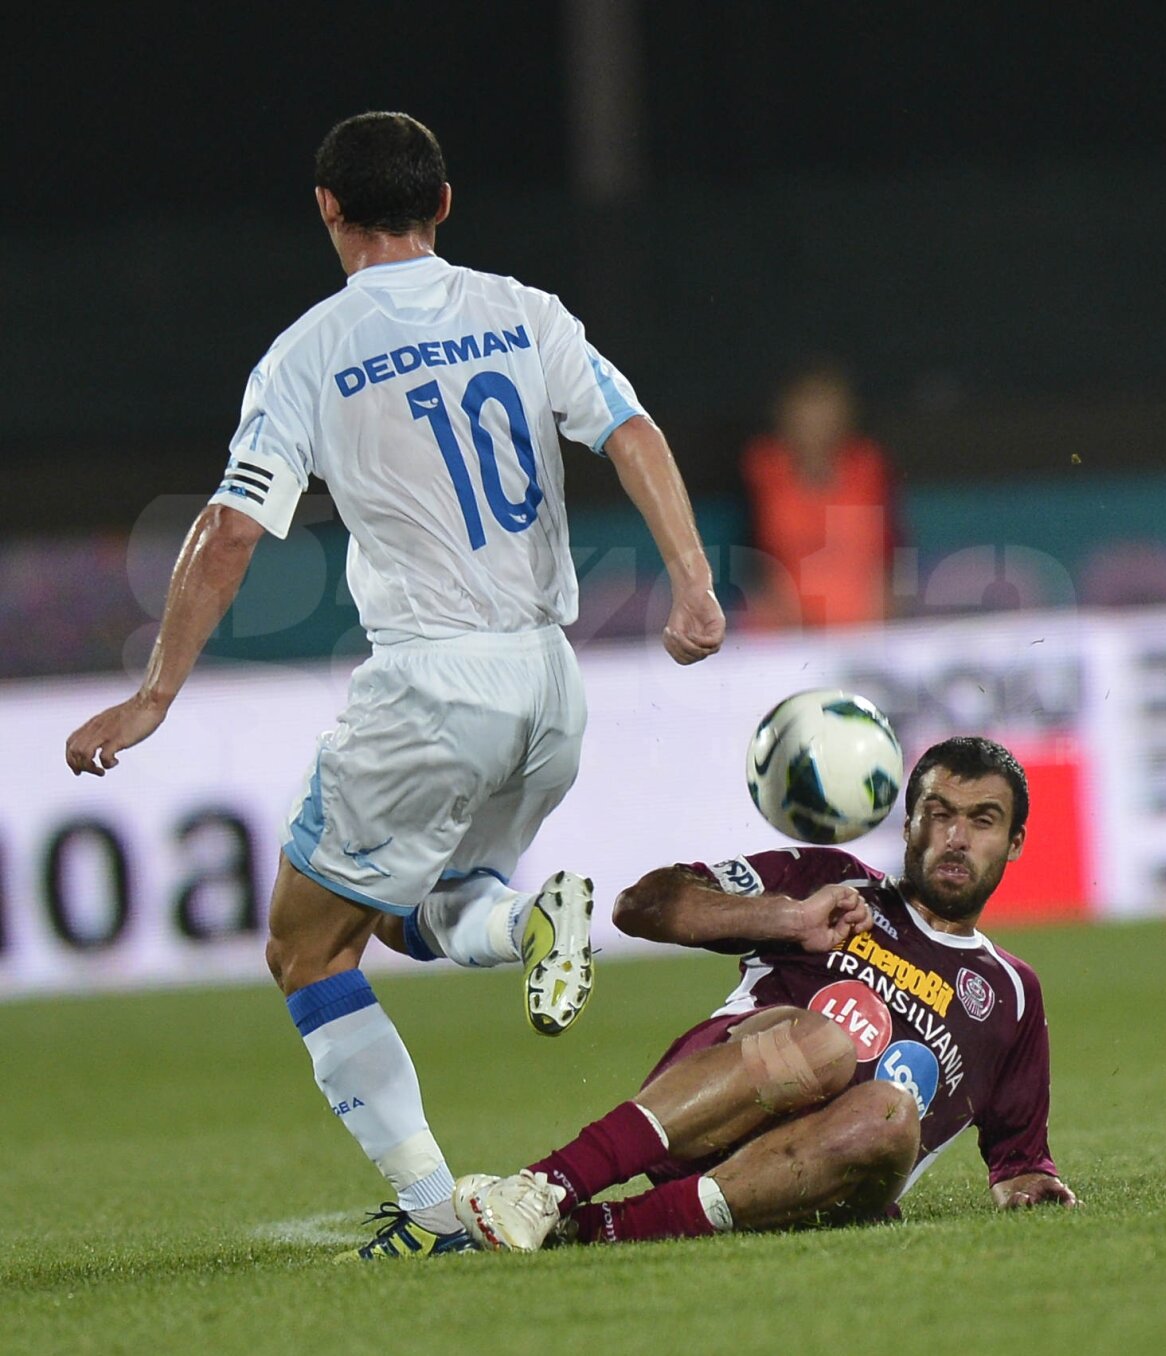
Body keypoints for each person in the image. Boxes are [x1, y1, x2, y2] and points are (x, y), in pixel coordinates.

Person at [64, 110, 725, 1261]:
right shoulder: (525, 312)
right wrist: (695, 583)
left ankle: (428, 1212)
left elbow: (230, 531)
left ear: (327, 208)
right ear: (445, 203)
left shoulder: (308, 353)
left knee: (305, 947)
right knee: (413, 910)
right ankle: (526, 920)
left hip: (431, 689)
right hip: (549, 684)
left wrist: (155, 693)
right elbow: (630, 431)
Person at [453, 736, 1076, 1251]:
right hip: (704, 1113)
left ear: (1015, 842)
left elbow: (1020, 1162)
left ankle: (591, 1230)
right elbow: (642, 906)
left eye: (982, 820)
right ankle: (546, 1186)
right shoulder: (828, 879)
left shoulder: (1012, 993)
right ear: (908, 823)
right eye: (939, 814)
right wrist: (787, 918)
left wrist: (1031, 1186)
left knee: (889, 1114)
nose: (957, 837)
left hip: (821, 1181)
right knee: (824, 1044)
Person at [741, 360, 901, 629]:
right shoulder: (761, 467)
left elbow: (890, 553)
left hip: (864, 625)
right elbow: (750, 559)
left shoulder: (869, 466)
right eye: (807, 407)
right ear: (785, 412)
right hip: (784, 625)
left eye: (826, 407)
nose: (816, 421)